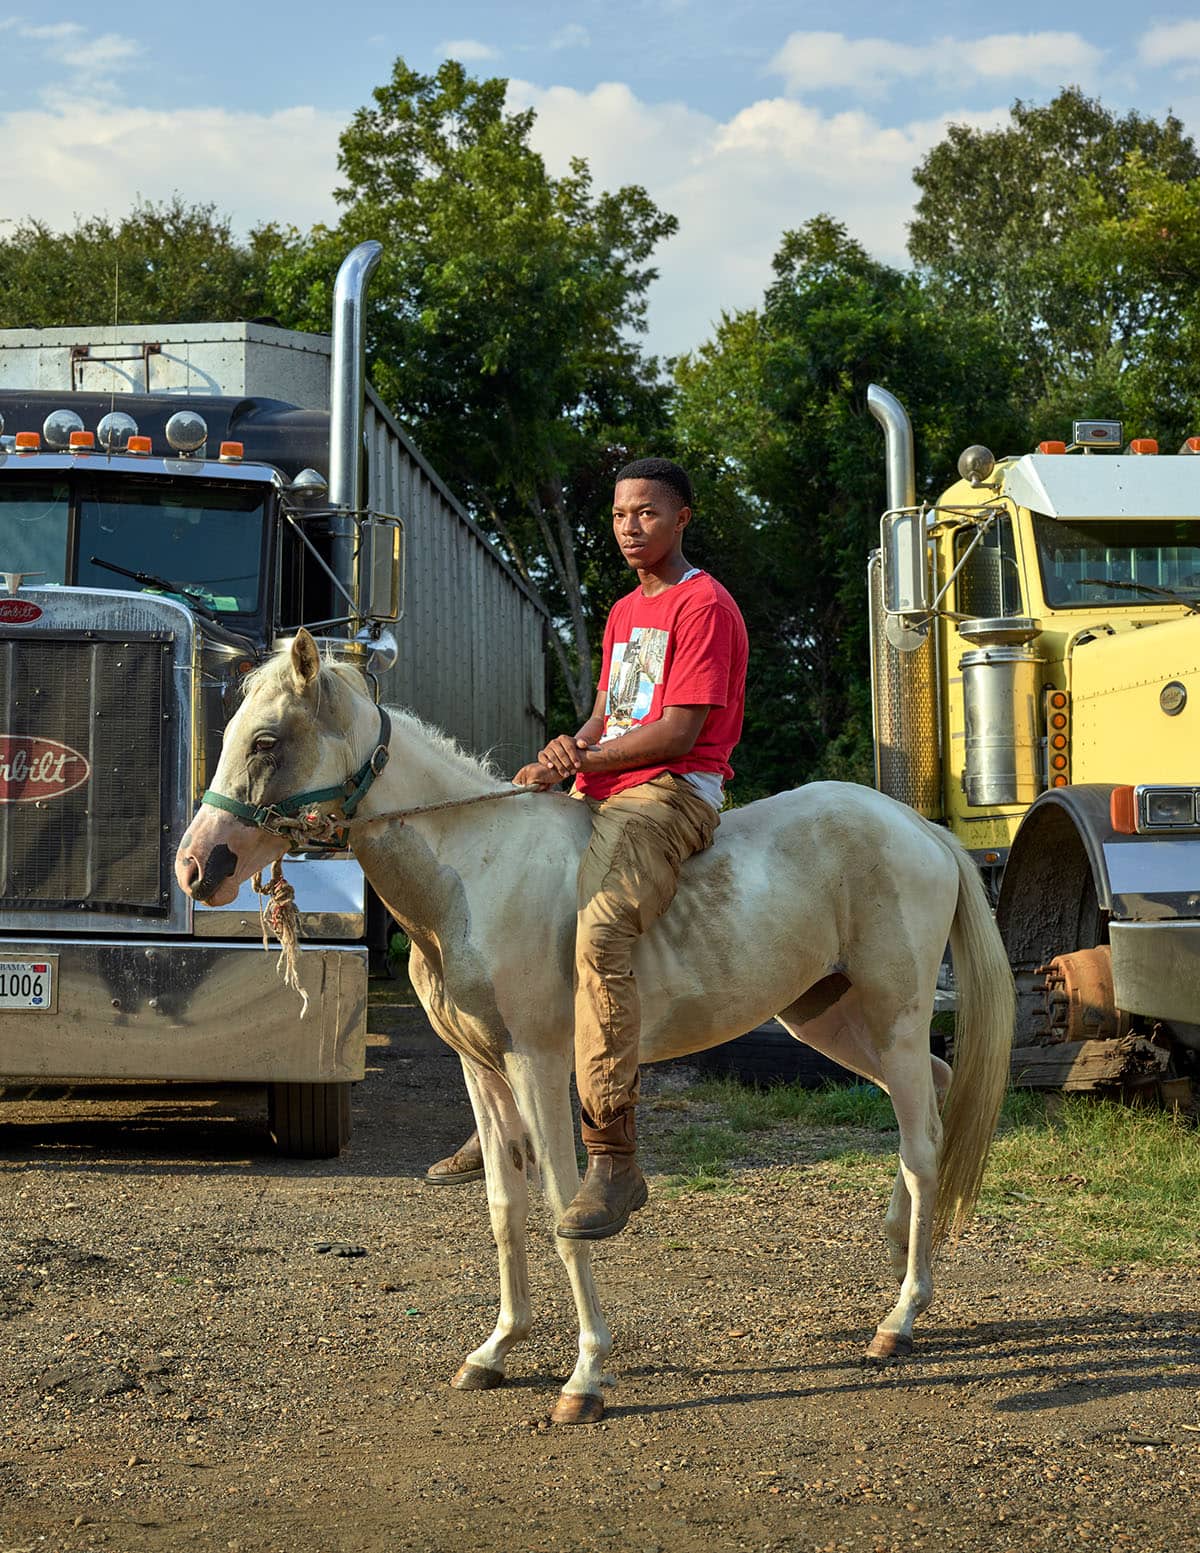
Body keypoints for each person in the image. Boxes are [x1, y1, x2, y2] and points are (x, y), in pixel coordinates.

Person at [425, 457, 749, 1239]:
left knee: (599, 933)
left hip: (671, 791)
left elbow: (676, 732)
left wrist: (583, 760)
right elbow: (610, 713)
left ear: (682, 519)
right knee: (508, 903)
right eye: (617, 515)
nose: (629, 526)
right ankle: (509, 1108)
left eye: (645, 512)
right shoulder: (624, 611)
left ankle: (614, 1155)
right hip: (604, 784)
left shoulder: (703, 604)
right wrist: (560, 754)